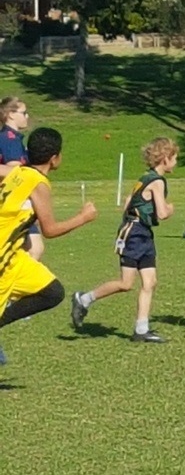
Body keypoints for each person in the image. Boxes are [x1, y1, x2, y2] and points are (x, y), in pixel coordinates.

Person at [0, 128, 97, 365]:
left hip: (14, 257)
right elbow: (50, 230)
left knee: (52, 292)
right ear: (55, 158)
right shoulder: (38, 183)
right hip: (3, 257)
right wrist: (83, 217)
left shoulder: (18, 172)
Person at [70, 138, 178, 343]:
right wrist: (170, 209)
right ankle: (83, 299)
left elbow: (128, 202)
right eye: (174, 158)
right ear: (165, 159)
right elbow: (163, 213)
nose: (176, 162)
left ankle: (141, 329)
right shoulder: (156, 181)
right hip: (134, 234)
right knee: (125, 283)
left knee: (150, 281)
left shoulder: (144, 177)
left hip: (142, 232)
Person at [0, 97, 45, 260]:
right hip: (13, 205)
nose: (27, 116)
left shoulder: (14, 138)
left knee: (31, 250)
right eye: (24, 113)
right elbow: (13, 171)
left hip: (18, 204)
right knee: (34, 250)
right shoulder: (9, 139)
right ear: (11, 114)